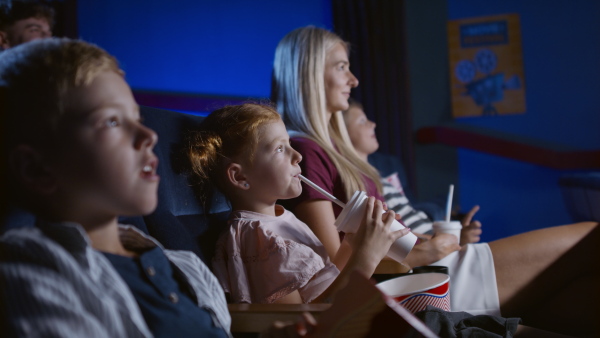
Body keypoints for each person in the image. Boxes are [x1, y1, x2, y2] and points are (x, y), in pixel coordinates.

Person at [271, 25, 599, 336]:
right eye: (342, 67)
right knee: (592, 236)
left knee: (586, 295)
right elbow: (333, 267)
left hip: (424, 269)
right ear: (311, 74)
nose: (354, 80)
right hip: (422, 279)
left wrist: (424, 245)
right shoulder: (305, 151)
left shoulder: (328, 149)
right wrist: (422, 253)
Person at [0, 38, 231, 337]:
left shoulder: (186, 267)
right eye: (111, 122)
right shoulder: (28, 273)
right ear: (36, 168)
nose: (148, 135)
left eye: (137, 118)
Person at [187, 103, 410, 304]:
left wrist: (354, 241)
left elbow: (326, 279)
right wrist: (366, 257)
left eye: (289, 144)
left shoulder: (283, 218)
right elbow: (299, 321)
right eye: (280, 149)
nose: (297, 156)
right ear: (240, 177)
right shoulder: (258, 239)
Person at [342, 99, 482, 246]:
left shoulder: (377, 175)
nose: (373, 124)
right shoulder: (357, 179)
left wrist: (452, 237)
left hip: (433, 239)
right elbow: (394, 235)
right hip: (427, 249)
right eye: (362, 121)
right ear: (342, 132)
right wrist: (454, 241)